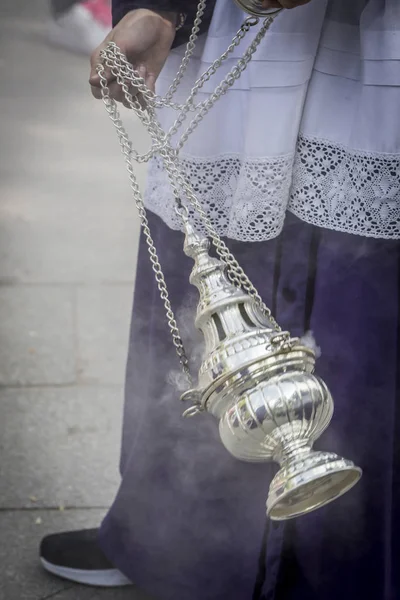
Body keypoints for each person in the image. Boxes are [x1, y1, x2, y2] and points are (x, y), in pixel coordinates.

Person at [40, 0, 400, 598]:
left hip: (371, 65)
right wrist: (160, 8)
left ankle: (338, 569)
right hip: (241, 50)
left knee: (357, 308)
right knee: (198, 295)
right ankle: (172, 547)